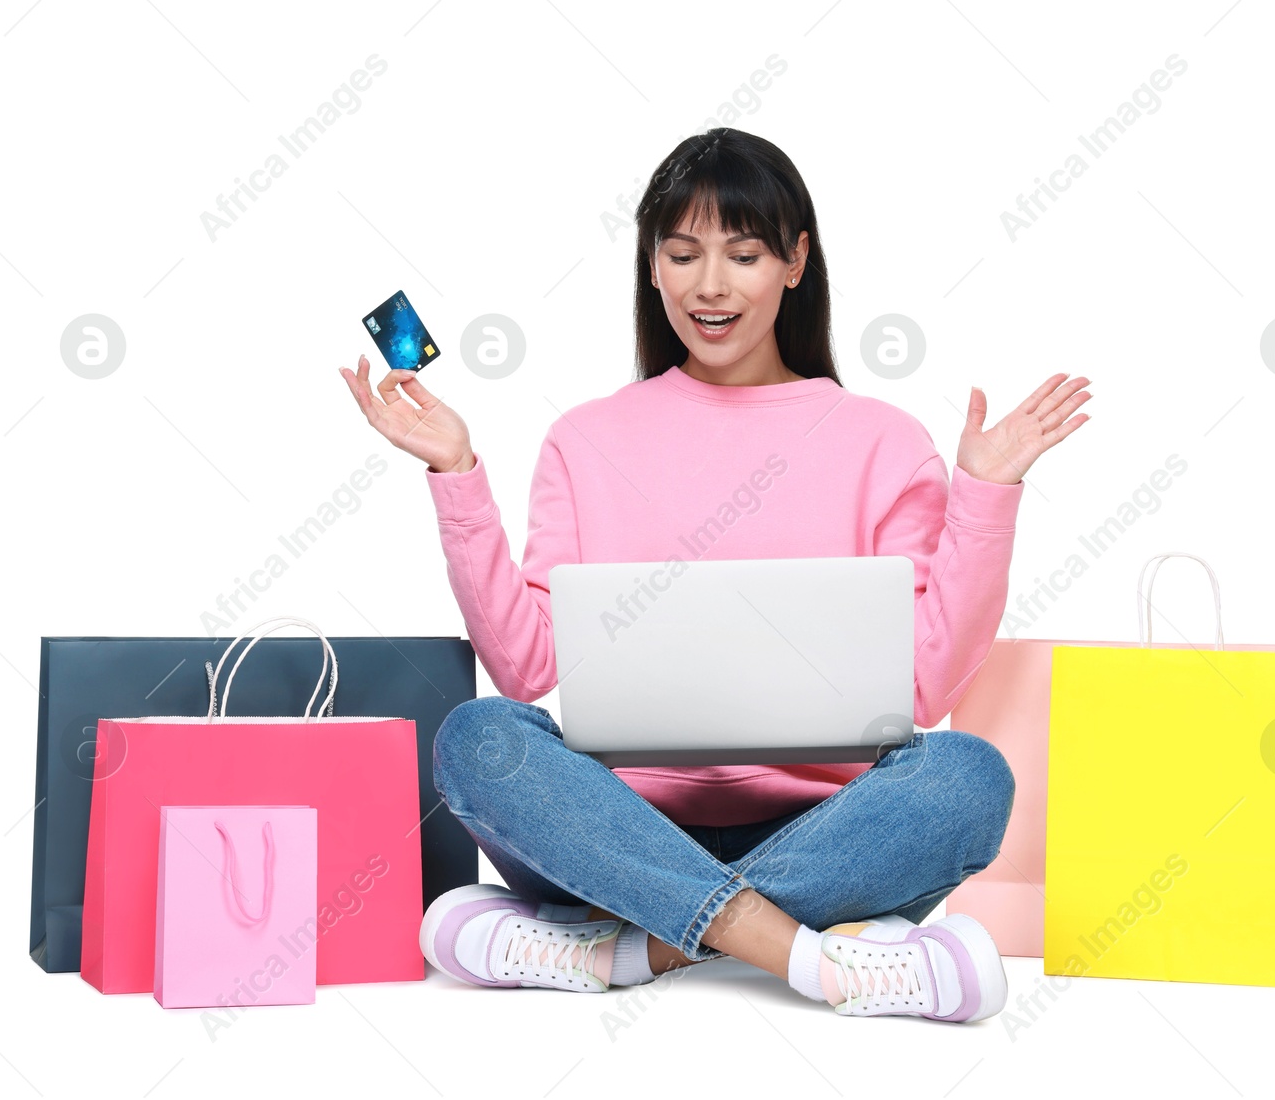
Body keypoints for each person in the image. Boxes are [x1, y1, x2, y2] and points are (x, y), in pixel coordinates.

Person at [339, 127, 1091, 1023]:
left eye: (743, 254)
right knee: (479, 738)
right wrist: (456, 475)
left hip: (828, 831)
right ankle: (815, 959)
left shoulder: (883, 442)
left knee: (968, 776)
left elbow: (927, 685)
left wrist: (986, 495)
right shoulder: (586, 439)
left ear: (796, 261)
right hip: (614, 826)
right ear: (651, 269)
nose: (710, 285)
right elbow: (528, 670)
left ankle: (623, 947)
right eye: (683, 253)